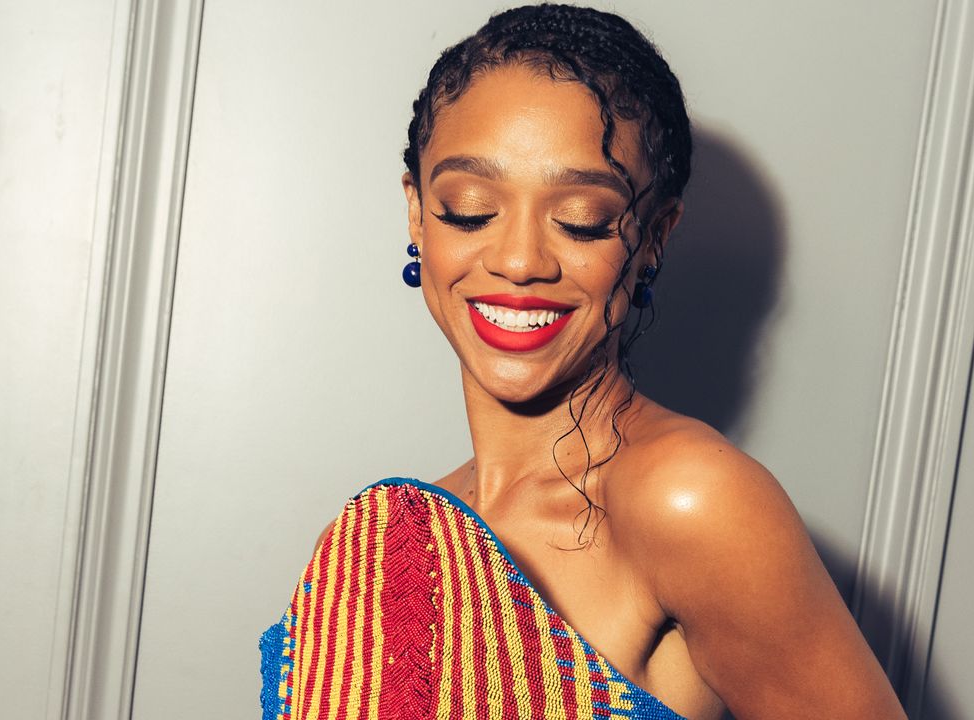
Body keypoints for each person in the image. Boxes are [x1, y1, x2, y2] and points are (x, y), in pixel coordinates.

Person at [260, 4, 907, 719]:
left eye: (582, 221)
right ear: (417, 211)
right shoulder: (380, 549)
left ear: (654, 235)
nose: (518, 261)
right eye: (470, 208)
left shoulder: (692, 502)